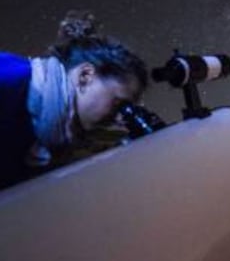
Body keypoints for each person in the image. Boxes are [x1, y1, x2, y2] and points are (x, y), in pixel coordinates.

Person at [0, 10, 148, 189]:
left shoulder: (53, 134)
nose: (119, 118)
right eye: (118, 104)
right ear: (85, 76)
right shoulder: (9, 78)